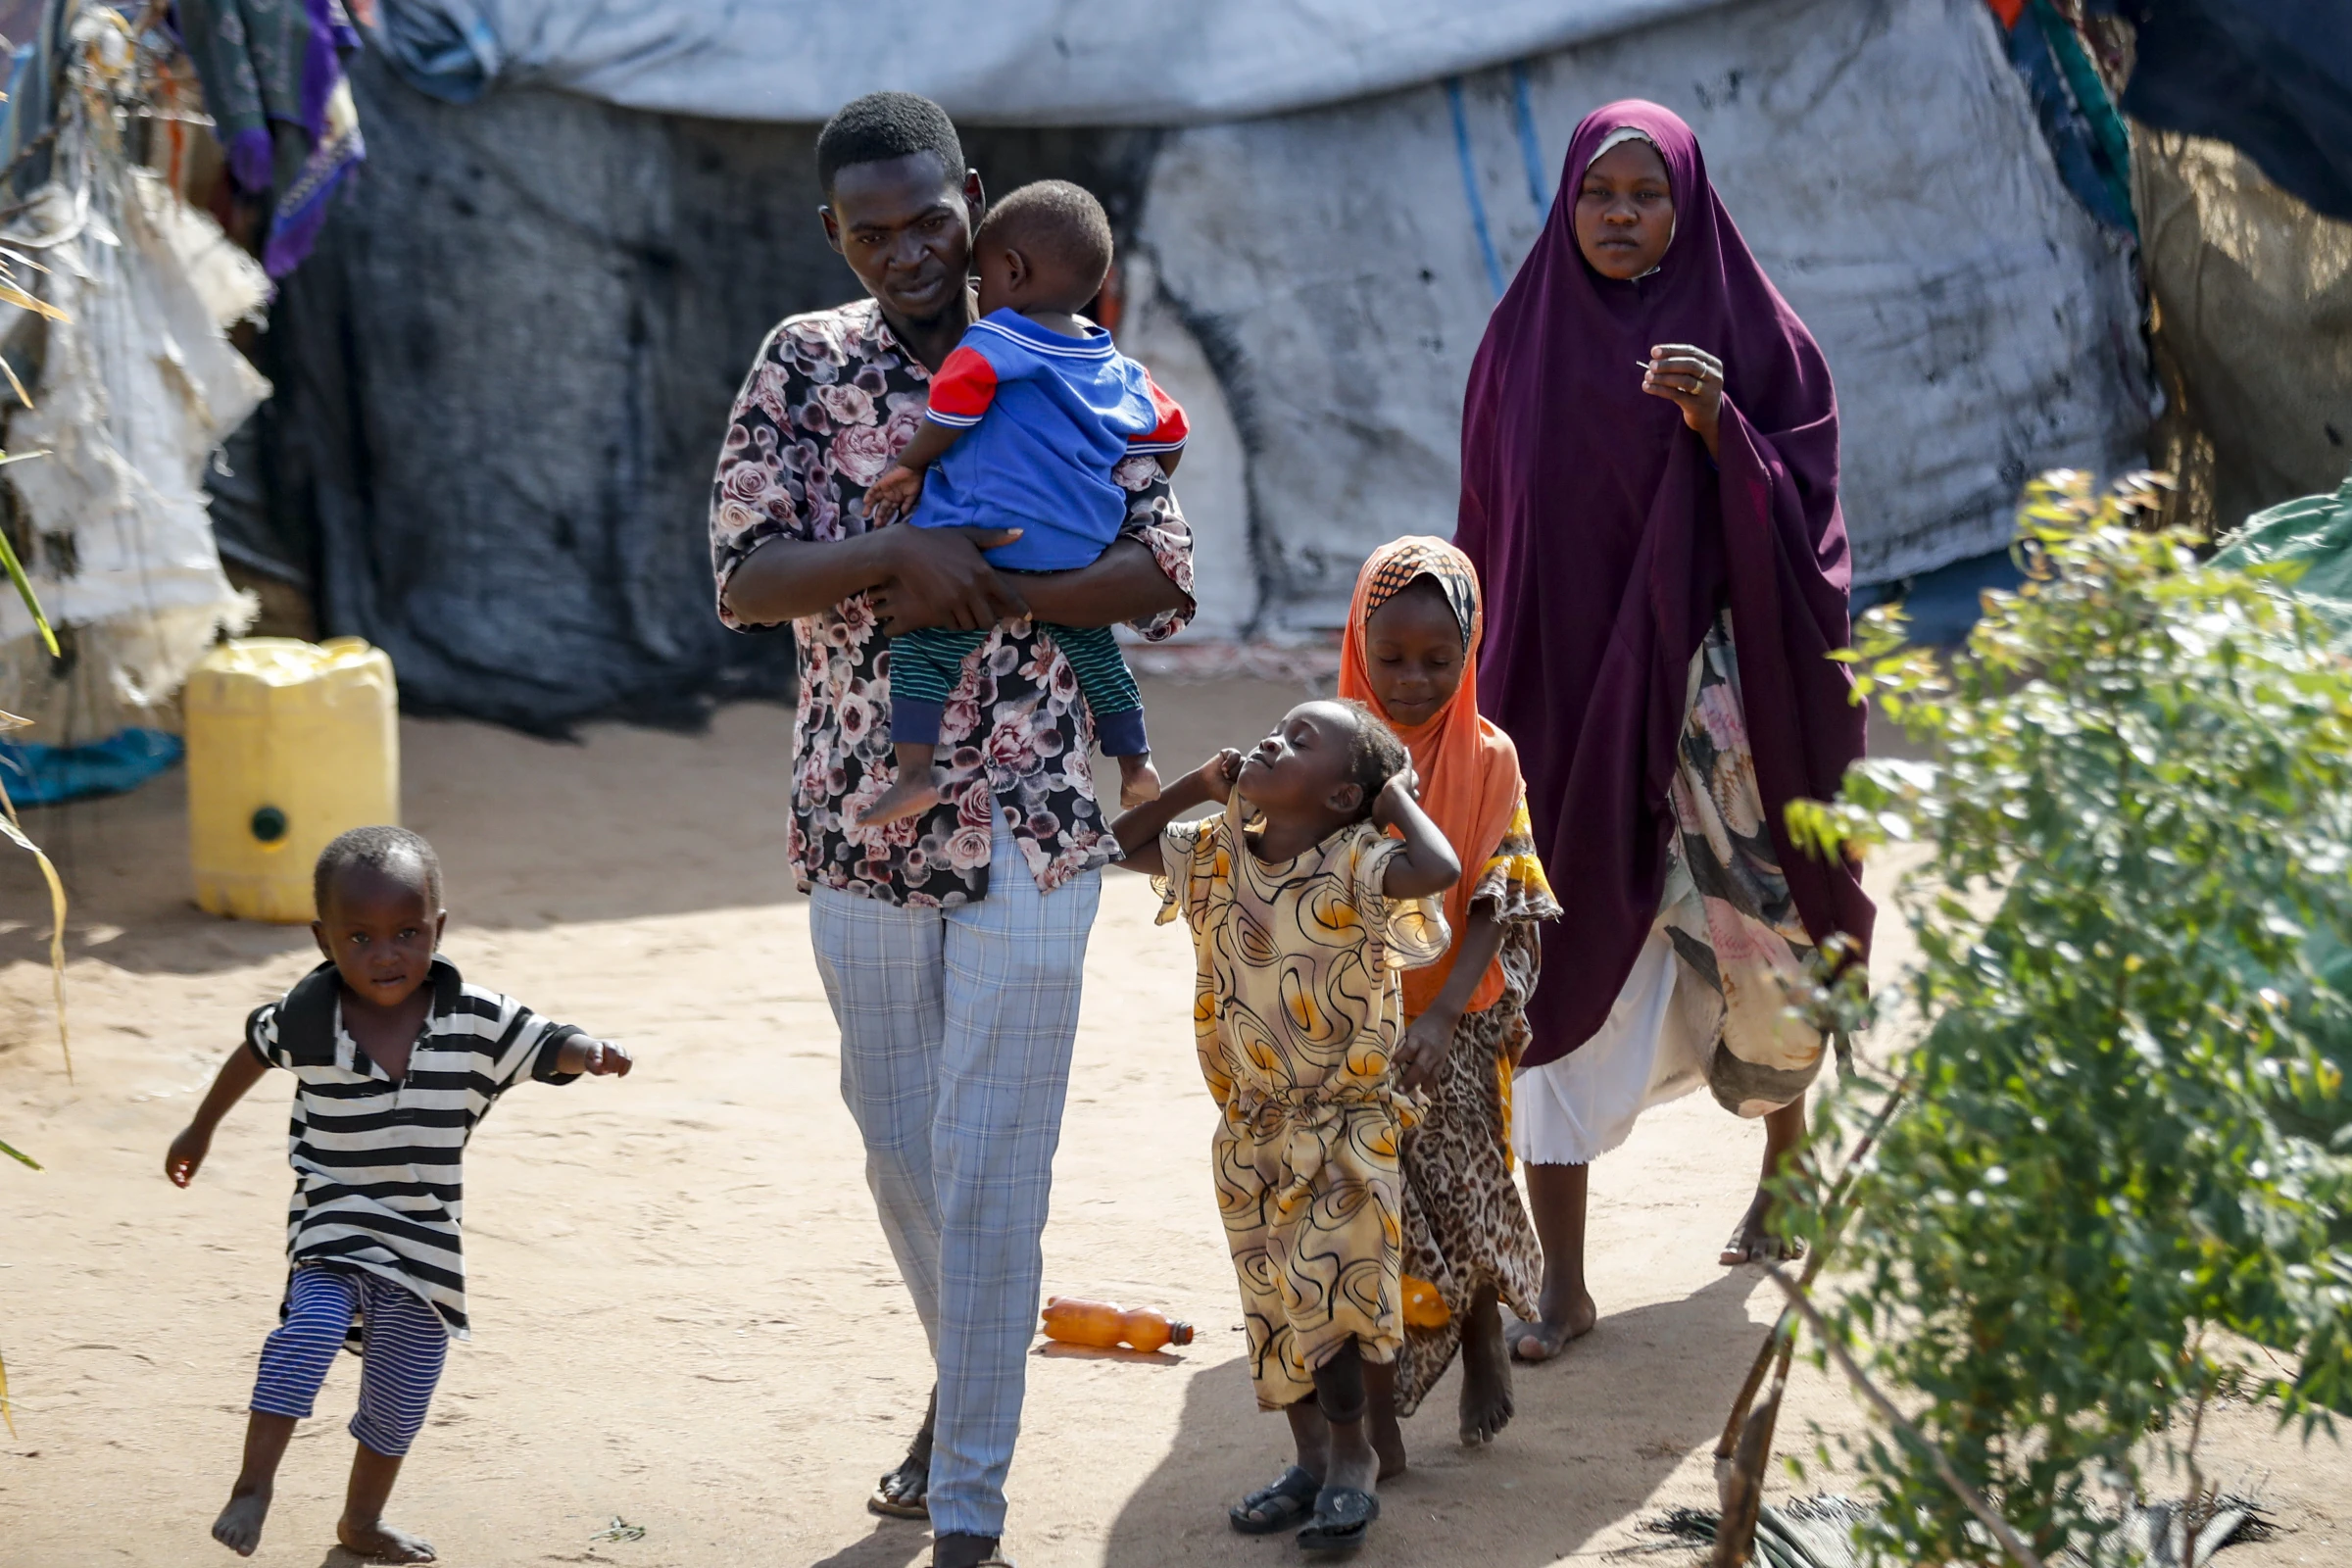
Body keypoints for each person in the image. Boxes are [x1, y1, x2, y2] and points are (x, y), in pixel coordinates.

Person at [708, 90, 1195, 1568]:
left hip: (1043, 811)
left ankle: (972, 1495)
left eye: (933, 219)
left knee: (993, 1148)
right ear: (832, 235)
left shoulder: (1094, 361)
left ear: (974, 197)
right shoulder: (805, 365)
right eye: (875, 232)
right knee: (900, 1140)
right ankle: (967, 1368)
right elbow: (744, 573)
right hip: (863, 809)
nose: (910, 252)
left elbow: (1161, 569)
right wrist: (899, 552)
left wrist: (1009, 591)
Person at [1452, 101, 1874, 1363]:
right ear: (1567, 203)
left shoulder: (1762, 339)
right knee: (1559, 968)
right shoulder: (1521, 343)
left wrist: (1717, 428)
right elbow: (1492, 532)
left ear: (1686, 205)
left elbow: (1812, 532)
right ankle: (1564, 1281)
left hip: (1721, 716)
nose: (1621, 215)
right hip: (1564, 710)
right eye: (1599, 193)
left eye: (1646, 195)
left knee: (1760, 944)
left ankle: (1786, 1166)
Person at [164, 826, 634, 1563]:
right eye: (360, 937)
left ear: (438, 929)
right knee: (308, 1332)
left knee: (401, 1394)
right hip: (333, 1224)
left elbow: (547, 1041)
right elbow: (251, 1051)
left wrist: (592, 1053)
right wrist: (199, 1129)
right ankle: (254, 1485)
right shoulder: (307, 1019)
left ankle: (360, 1522)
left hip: (424, 1245)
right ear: (324, 940)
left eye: (407, 933)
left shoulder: (471, 1018)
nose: (386, 954)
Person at [1109, 701, 1459, 1555]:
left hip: (1346, 1127)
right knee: (1276, 1311)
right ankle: (1307, 1461)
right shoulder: (1217, 855)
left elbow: (1440, 866)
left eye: (1303, 741)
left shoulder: (1357, 866)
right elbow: (1121, 844)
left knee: (1335, 1301)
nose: (1273, 737)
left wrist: (1396, 795)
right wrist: (1195, 784)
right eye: (1278, 726)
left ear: (1343, 798)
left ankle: (1353, 1460)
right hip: (1250, 1131)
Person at [858, 177, 1188, 828]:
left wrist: (912, 463)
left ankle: (916, 774)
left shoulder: (996, 339)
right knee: (1097, 652)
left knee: (924, 648)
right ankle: (1136, 764)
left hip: (984, 534)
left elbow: (955, 406)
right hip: (1079, 548)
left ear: (1012, 270)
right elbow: (1171, 434)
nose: (977, 294)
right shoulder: (1115, 364)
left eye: (981, 281)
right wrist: (1106, 486)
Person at [1335, 537, 1559, 1454]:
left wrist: (1438, 1012)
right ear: (1357, 640)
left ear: (1471, 654)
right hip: (1347, 1022)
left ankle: (1477, 1335)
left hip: (1458, 1013)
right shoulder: (1326, 744)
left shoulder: (1491, 759)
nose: (1414, 681)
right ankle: (1377, 1425)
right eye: (1390, 659)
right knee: (1368, 1219)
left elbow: (1500, 901)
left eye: (1440, 661)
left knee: (1459, 1201)